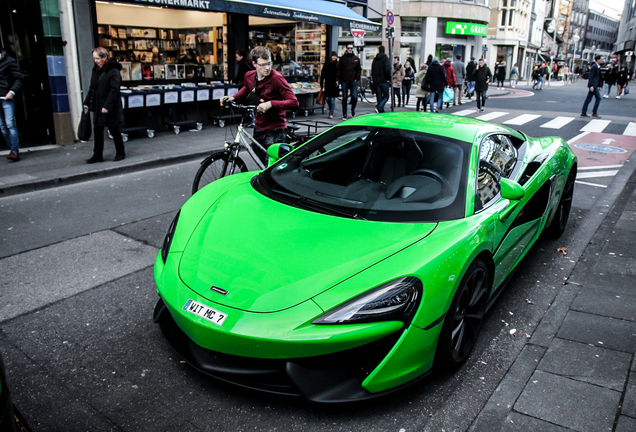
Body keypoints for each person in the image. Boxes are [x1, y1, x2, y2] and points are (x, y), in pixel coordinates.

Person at [223, 46, 299, 163]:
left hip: (275, 128)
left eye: (269, 63)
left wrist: (271, 104)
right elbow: (246, 88)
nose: (267, 68)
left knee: (271, 167)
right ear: (254, 64)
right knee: (260, 162)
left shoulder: (277, 79)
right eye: (263, 65)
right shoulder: (249, 76)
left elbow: (294, 102)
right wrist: (233, 98)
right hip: (259, 126)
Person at [83, 47, 125, 163]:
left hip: (109, 106)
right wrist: (87, 102)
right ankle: (97, 155)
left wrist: (107, 106)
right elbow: (92, 87)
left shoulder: (113, 70)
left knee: (114, 130)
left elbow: (114, 90)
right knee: (97, 131)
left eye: (97, 58)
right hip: (98, 104)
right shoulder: (96, 70)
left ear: (104, 57)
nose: (95, 61)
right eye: (94, 58)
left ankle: (120, 152)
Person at [0, 46, 23, 162]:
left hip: (5, 97)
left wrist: (12, 91)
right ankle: (12, 148)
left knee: (10, 124)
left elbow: (19, 78)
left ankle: (15, 151)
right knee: (2, 127)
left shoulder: (8, 61)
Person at [337, 43, 361, 119]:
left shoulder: (356, 58)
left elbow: (359, 69)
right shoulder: (343, 58)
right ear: (346, 49)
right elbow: (339, 70)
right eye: (348, 48)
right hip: (344, 80)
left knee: (354, 97)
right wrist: (337, 79)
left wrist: (356, 78)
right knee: (344, 97)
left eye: (351, 48)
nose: (350, 49)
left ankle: (353, 109)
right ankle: (344, 113)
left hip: (353, 81)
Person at [581, 54, 604, 119]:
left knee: (588, 99)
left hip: (595, 85)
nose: (602, 60)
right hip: (594, 85)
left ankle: (584, 112)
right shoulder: (594, 67)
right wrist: (591, 85)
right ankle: (594, 112)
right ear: (598, 59)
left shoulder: (598, 67)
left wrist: (600, 85)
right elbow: (591, 77)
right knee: (599, 98)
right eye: (601, 59)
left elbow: (598, 77)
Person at [371, 45, 391, 113]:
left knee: (379, 96)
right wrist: (389, 78)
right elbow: (387, 69)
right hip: (384, 80)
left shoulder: (375, 59)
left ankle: (380, 109)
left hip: (376, 80)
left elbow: (373, 70)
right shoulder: (385, 58)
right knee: (386, 95)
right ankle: (380, 106)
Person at [320, 51, 339, 118]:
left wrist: (338, 81)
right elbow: (323, 73)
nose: (334, 57)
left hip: (334, 83)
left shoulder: (337, 64)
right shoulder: (327, 63)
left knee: (332, 98)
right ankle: (330, 108)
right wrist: (321, 82)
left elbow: (339, 73)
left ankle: (331, 112)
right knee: (327, 98)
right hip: (328, 83)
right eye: (333, 56)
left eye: (335, 56)